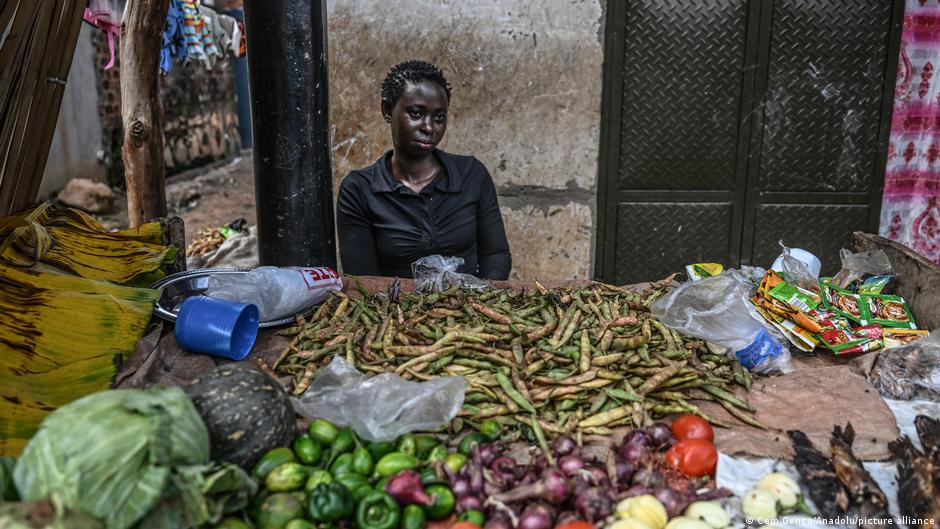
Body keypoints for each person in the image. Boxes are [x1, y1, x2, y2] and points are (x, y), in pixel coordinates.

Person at [336, 60, 512, 279]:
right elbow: (364, 280)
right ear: (387, 110)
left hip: (471, 306)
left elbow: (496, 254)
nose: (429, 127)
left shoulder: (471, 175)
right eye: (416, 113)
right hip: (394, 310)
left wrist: (480, 302)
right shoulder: (359, 189)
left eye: (439, 117)